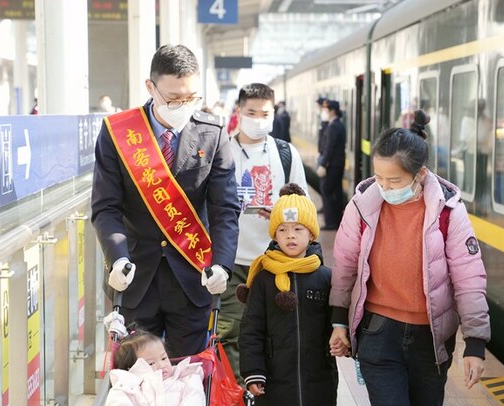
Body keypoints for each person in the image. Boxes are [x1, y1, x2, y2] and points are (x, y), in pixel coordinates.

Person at [328, 109, 490, 406]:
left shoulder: (449, 210)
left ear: (419, 175)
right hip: (379, 333)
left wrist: (477, 343)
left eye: (394, 180)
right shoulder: (364, 203)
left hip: (430, 340)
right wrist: (337, 322)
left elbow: (469, 276)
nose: (384, 186)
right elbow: (345, 265)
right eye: (379, 176)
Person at [91, 44, 240, 358]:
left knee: (189, 379)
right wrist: (116, 257)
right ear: (151, 87)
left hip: (192, 279)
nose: (182, 106)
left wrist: (223, 265)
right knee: (135, 383)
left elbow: (224, 208)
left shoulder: (212, 134)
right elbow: (106, 207)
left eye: (190, 98)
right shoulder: (118, 133)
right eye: (173, 99)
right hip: (134, 279)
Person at [238, 184, 337, 406]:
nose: (291, 236)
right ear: (274, 235)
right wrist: (253, 373)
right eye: (283, 230)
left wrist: (344, 339)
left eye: (298, 229)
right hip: (273, 381)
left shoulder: (325, 278)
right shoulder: (264, 278)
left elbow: (337, 325)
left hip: (316, 382)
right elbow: (251, 330)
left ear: (312, 235)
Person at [218, 83, 307, 385]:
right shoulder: (222, 150)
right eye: (251, 112)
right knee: (230, 331)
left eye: (264, 113)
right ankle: (238, 397)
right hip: (231, 260)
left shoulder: (285, 153)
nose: (258, 119)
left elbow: (302, 206)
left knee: (275, 330)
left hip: (274, 260)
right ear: (239, 113)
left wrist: (282, 213)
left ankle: (270, 394)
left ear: (273, 113)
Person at [317, 100, 346, 230]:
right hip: (337, 164)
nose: (324, 112)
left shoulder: (334, 126)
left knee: (327, 190)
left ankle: (331, 222)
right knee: (335, 192)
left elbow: (330, 148)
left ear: (332, 111)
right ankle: (337, 220)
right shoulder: (336, 124)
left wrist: (323, 164)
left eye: (326, 110)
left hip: (332, 165)